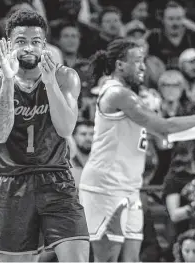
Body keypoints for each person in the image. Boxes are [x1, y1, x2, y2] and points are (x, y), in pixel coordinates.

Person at [0, 10, 89, 262]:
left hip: (57, 180)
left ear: (45, 45)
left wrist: (49, 83)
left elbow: (65, 129)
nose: (29, 48)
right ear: (7, 45)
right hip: (14, 181)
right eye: (20, 42)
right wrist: (9, 80)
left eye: (36, 42)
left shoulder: (64, 77)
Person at [78, 38, 195, 262]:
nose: (144, 67)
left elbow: (163, 136)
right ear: (120, 64)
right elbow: (164, 127)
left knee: (132, 259)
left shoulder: (130, 96)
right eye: (138, 61)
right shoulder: (116, 93)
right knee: (107, 259)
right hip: (105, 187)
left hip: (130, 186)